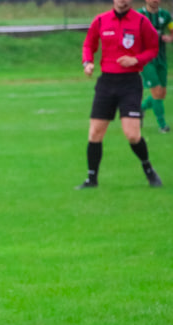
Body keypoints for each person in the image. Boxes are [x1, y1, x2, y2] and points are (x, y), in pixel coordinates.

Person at [77, 0, 162, 189]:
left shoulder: (141, 22)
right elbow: (88, 45)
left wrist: (136, 59)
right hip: (106, 83)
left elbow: (153, 49)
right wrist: (88, 62)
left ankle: (149, 170)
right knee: (95, 133)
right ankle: (92, 179)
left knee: (132, 134)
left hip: (130, 83)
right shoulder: (100, 20)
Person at [138, 0, 173, 133]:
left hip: (161, 59)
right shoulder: (139, 15)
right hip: (146, 60)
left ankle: (141, 108)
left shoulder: (165, 15)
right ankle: (162, 125)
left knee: (162, 94)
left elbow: (172, 29)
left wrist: (170, 38)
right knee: (157, 91)